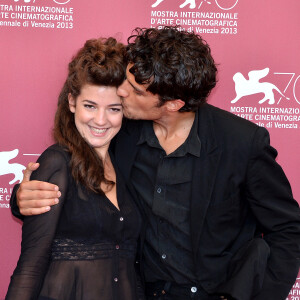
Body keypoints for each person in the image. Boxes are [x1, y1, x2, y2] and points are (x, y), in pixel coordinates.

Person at [10, 27, 300, 300]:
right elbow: (72, 169)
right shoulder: (118, 129)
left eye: (136, 91)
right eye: (127, 79)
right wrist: (21, 198)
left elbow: (288, 229)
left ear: (173, 104)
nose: (121, 92)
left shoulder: (241, 143)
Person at [6, 37, 144, 300]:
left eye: (113, 109)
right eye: (90, 106)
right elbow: (30, 266)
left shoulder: (126, 162)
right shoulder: (57, 162)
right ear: (72, 102)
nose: (101, 121)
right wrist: (19, 197)